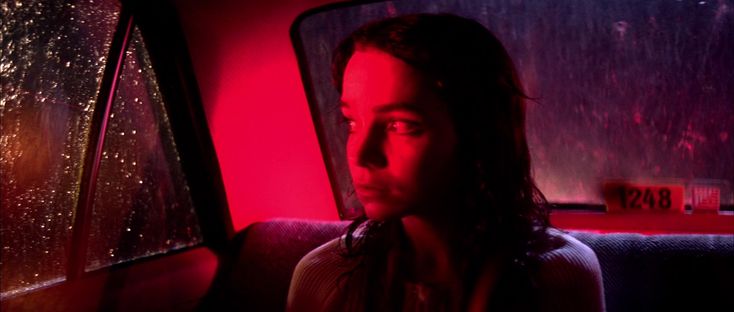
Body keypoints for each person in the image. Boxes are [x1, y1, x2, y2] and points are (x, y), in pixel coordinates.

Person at [287, 13, 604, 312]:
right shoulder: (325, 277)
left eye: (401, 125)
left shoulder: (559, 275)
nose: (361, 154)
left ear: (477, 133)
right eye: (351, 122)